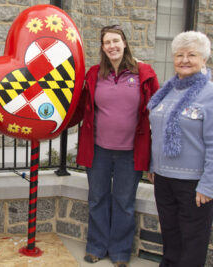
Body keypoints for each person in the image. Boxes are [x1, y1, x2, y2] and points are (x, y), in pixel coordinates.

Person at [69, 25, 159, 267]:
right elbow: (80, 108)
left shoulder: (144, 73)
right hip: (98, 150)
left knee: (124, 202)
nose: (112, 46)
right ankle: (96, 247)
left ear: (125, 43)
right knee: (97, 198)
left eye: (116, 41)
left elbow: (157, 111)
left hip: (130, 152)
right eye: (107, 42)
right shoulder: (95, 73)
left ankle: (120, 252)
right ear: (102, 47)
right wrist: (54, 124)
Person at [147, 31, 213, 267]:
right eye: (179, 55)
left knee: (192, 241)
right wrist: (154, 166)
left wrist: (208, 185)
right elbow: (158, 132)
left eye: (192, 55)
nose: (184, 60)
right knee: (171, 236)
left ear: (204, 59)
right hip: (164, 179)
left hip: (193, 184)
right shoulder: (167, 91)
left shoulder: (210, 94)